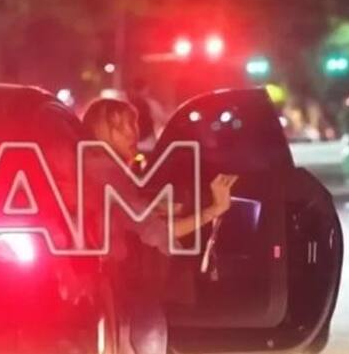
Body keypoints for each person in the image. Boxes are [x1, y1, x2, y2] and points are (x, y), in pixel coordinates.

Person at [81, 98, 238, 354]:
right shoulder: (106, 172)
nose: (132, 133)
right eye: (119, 127)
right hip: (119, 283)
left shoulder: (96, 165)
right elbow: (157, 233)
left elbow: (127, 214)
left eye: (133, 123)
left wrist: (156, 207)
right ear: (100, 132)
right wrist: (214, 210)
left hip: (111, 281)